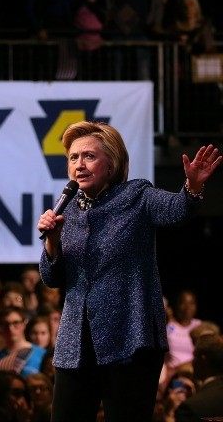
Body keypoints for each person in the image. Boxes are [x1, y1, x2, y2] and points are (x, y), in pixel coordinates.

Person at [37, 120, 221, 422]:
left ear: (111, 164)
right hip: (76, 344)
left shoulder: (137, 196)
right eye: (73, 157)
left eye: (89, 156)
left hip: (130, 338)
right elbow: (51, 278)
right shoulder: (64, 211)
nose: (79, 164)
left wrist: (193, 187)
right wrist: (52, 244)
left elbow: (176, 210)